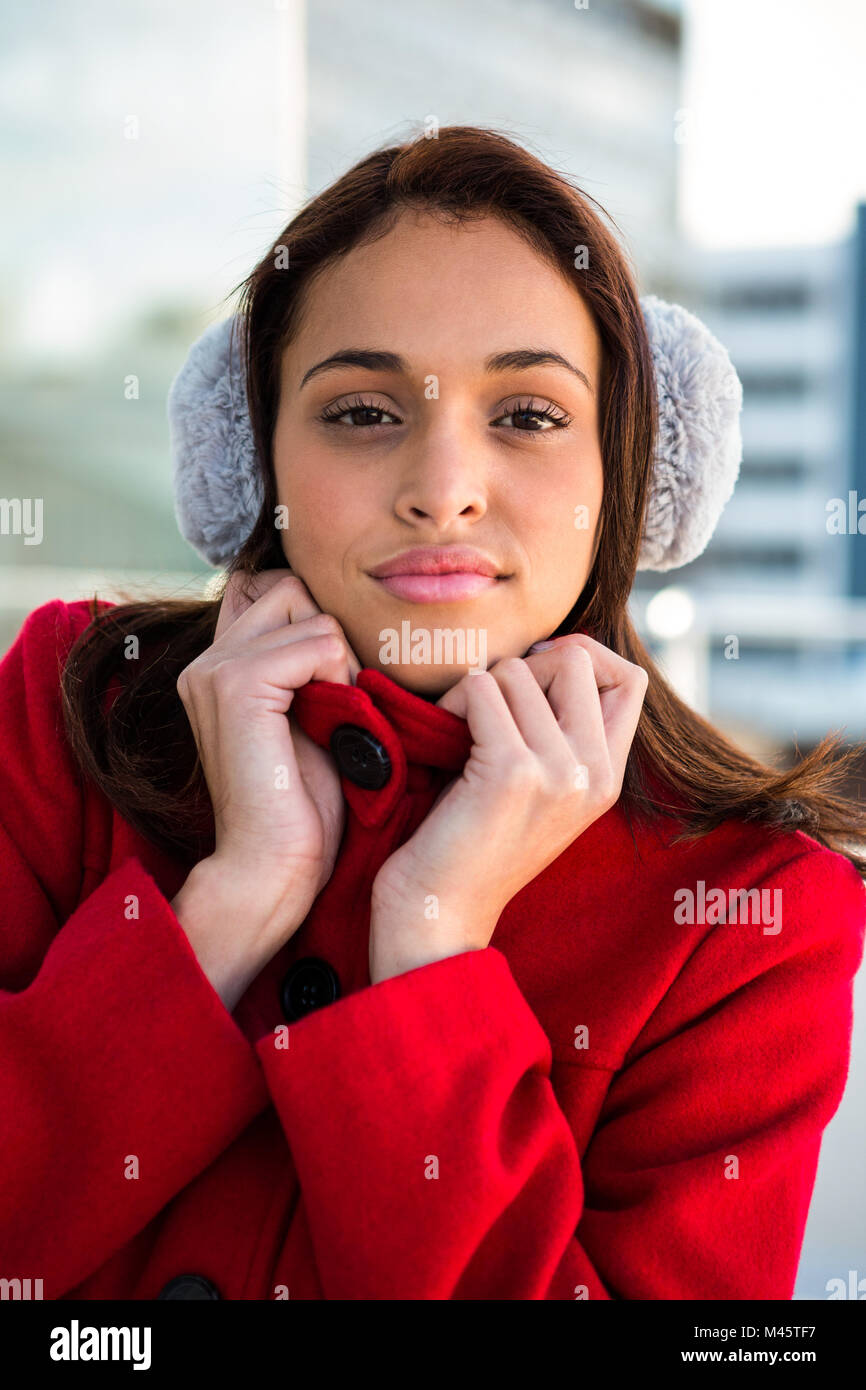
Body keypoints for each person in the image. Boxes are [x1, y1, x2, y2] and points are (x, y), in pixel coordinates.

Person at [2, 126, 864, 1302]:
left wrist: (433, 940)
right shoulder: (67, 706)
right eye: (361, 412)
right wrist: (233, 901)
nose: (440, 486)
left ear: (632, 469)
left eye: (526, 414)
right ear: (251, 460)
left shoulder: (755, 909)